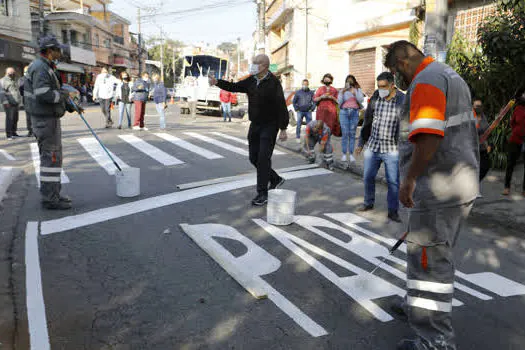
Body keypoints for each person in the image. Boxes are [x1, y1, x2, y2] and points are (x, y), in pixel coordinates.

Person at [384, 40, 479, 350]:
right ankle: (415, 304)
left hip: (438, 186)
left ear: (401, 63)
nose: (397, 78)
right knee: (432, 253)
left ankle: (435, 341)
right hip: (459, 181)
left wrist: (409, 180)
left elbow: (428, 135)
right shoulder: (448, 74)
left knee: (429, 262)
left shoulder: (425, 80)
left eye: (394, 71)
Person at [209, 54, 289, 206]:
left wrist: (283, 128)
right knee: (254, 158)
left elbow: (281, 106)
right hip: (255, 125)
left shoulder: (273, 83)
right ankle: (275, 179)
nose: (252, 65)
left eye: (256, 63)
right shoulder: (251, 80)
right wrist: (217, 82)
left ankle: (262, 193)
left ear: (264, 66)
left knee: (263, 158)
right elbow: (235, 87)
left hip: (270, 126)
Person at [25, 35, 77, 210]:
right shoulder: (40, 68)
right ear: (49, 51)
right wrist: (64, 95)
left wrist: (69, 105)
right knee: (51, 160)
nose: (59, 53)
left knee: (54, 160)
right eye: (57, 49)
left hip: (48, 120)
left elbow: (51, 92)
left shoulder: (46, 66)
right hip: (45, 121)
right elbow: (44, 94)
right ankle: (50, 199)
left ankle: (53, 195)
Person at [356, 72, 404, 222]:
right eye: (379, 86)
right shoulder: (376, 96)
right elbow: (368, 120)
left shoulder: (402, 100)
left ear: (392, 85)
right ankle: (368, 203)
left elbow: (407, 124)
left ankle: (393, 211)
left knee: (393, 182)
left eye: (384, 86)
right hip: (373, 146)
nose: (381, 89)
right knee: (368, 177)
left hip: (392, 149)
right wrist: (361, 143)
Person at [502, 90, 525, 196]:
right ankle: (507, 187)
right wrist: (517, 131)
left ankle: (524, 190)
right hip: (516, 139)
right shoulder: (518, 109)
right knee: (510, 164)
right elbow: (512, 123)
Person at [338, 74, 364, 162]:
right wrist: (343, 92)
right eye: (348, 81)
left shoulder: (357, 89)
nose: (349, 82)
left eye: (351, 80)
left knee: (352, 134)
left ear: (354, 81)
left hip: (354, 112)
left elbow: (360, 100)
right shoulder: (342, 90)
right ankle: (344, 154)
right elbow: (339, 102)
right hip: (344, 112)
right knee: (345, 133)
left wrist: (355, 92)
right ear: (345, 82)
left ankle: (351, 154)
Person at [473, 99, 491, 189]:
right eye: (476, 106)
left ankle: (474, 184)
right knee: (473, 168)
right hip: (472, 148)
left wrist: (488, 145)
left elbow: (487, 131)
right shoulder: (470, 117)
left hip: (483, 147)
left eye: (479, 106)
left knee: (485, 166)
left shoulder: (484, 117)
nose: (477, 108)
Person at [0, 67, 21, 140]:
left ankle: (14, 132)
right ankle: (9, 134)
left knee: (15, 118)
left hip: (16, 102)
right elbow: (2, 93)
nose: (13, 74)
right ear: (7, 73)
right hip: (9, 103)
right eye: (11, 73)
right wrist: (5, 102)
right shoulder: (2, 81)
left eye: (13, 73)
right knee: (9, 119)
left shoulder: (14, 79)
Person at [19, 65, 34, 137]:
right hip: (28, 100)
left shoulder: (23, 79)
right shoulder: (22, 79)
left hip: (31, 100)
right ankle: (30, 130)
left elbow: (21, 91)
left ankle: (32, 130)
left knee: (32, 116)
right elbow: (21, 90)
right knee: (29, 117)